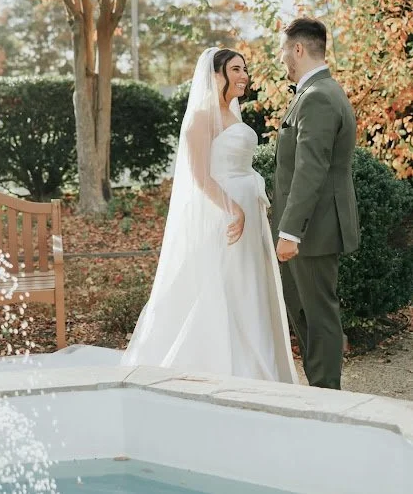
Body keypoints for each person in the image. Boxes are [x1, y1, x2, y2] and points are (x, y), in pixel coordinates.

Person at [121, 47, 298, 384]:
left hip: (252, 213)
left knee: (250, 285)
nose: (244, 75)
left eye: (245, 69)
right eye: (236, 69)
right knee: (226, 286)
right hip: (226, 215)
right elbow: (201, 177)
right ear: (216, 75)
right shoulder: (200, 120)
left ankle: (261, 362)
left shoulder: (234, 112)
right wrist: (235, 209)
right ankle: (226, 365)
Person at [273, 17, 360, 390]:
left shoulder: (319, 97)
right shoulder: (315, 92)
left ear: (298, 49)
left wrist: (291, 231)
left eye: (282, 50)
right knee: (307, 312)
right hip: (313, 226)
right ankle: (320, 392)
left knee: (318, 313)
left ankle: (327, 398)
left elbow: (311, 169)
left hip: (314, 229)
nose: (280, 59)